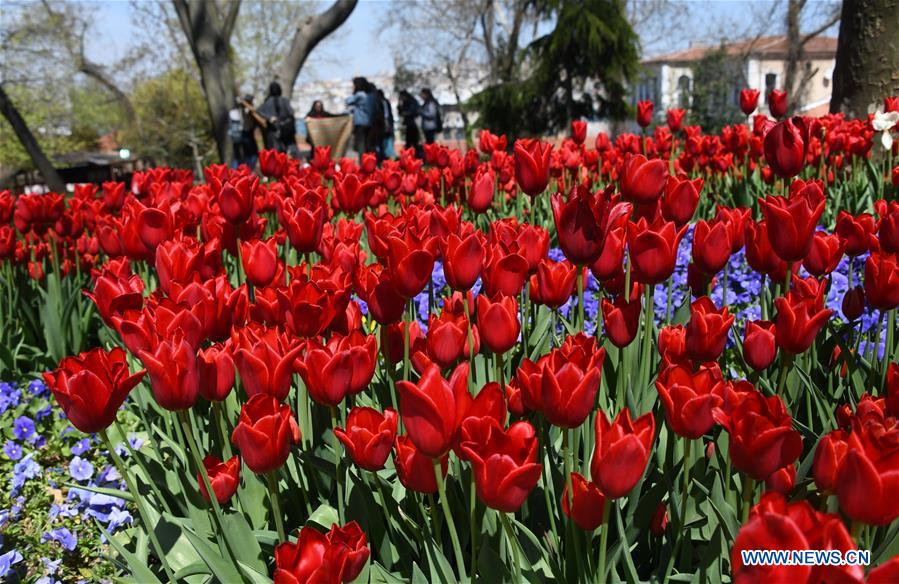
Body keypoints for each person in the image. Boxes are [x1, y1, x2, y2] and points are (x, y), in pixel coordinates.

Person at [257, 81, 298, 157]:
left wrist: (269, 117)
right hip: (284, 130)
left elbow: (259, 111)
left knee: (276, 154)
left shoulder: (268, 102)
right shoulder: (284, 101)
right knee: (286, 153)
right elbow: (291, 113)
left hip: (274, 131)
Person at [229, 95, 261, 169]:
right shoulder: (247, 110)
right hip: (247, 133)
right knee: (252, 154)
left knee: (245, 155)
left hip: (243, 134)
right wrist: (245, 103)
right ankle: (249, 169)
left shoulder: (238, 109)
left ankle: (246, 169)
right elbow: (254, 110)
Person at [346, 77, 372, 159]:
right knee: (366, 144)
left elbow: (348, 101)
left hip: (360, 122)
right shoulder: (367, 95)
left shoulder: (359, 94)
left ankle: (363, 162)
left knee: (361, 144)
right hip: (368, 121)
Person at [398, 90, 421, 156]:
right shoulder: (405, 102)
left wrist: (406, 113)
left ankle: (415, 156)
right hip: (408, 124)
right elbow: (401, 112)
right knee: (409, 142)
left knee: (413, 142)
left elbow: (413, 111)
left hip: (413, 124)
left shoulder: (412, 102)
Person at [376, 89, 396, 161]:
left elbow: (386, 115)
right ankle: (385, 156)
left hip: (383, 124)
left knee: (383, 141)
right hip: (387, 123)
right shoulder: (386, 102)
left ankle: (384, 156)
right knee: (385, 141)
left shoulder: (380, 102)